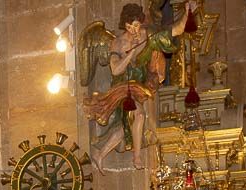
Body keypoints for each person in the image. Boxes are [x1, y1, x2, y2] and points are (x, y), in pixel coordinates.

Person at [83, 2, 196, 173]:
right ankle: (137, 157)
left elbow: (177, 29)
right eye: (129, 26)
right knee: (140, 115)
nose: (133, 30)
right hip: (123, 88)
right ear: (125, 25)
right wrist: (131, 54)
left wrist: (187, 13)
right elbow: (115, 70)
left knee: (125, 127)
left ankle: (100, 154)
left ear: (141, 23)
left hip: (139, 87)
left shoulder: (148, 35)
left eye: (136, 25)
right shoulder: (118, 43)